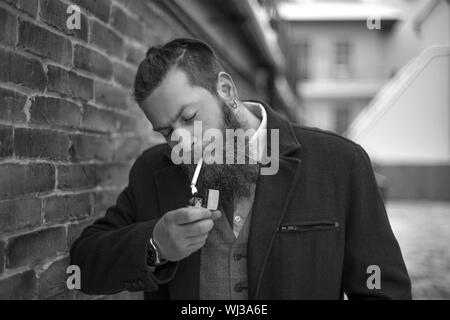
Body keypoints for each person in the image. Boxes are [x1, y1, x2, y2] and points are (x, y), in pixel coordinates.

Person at [70, 38, 411, 299]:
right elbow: (83, 265)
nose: (183, 142)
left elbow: (384, 290)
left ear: (225, 90)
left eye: (189, 118)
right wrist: (156, 246)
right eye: (166, 131)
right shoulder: (152, 171)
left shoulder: (340, 164)